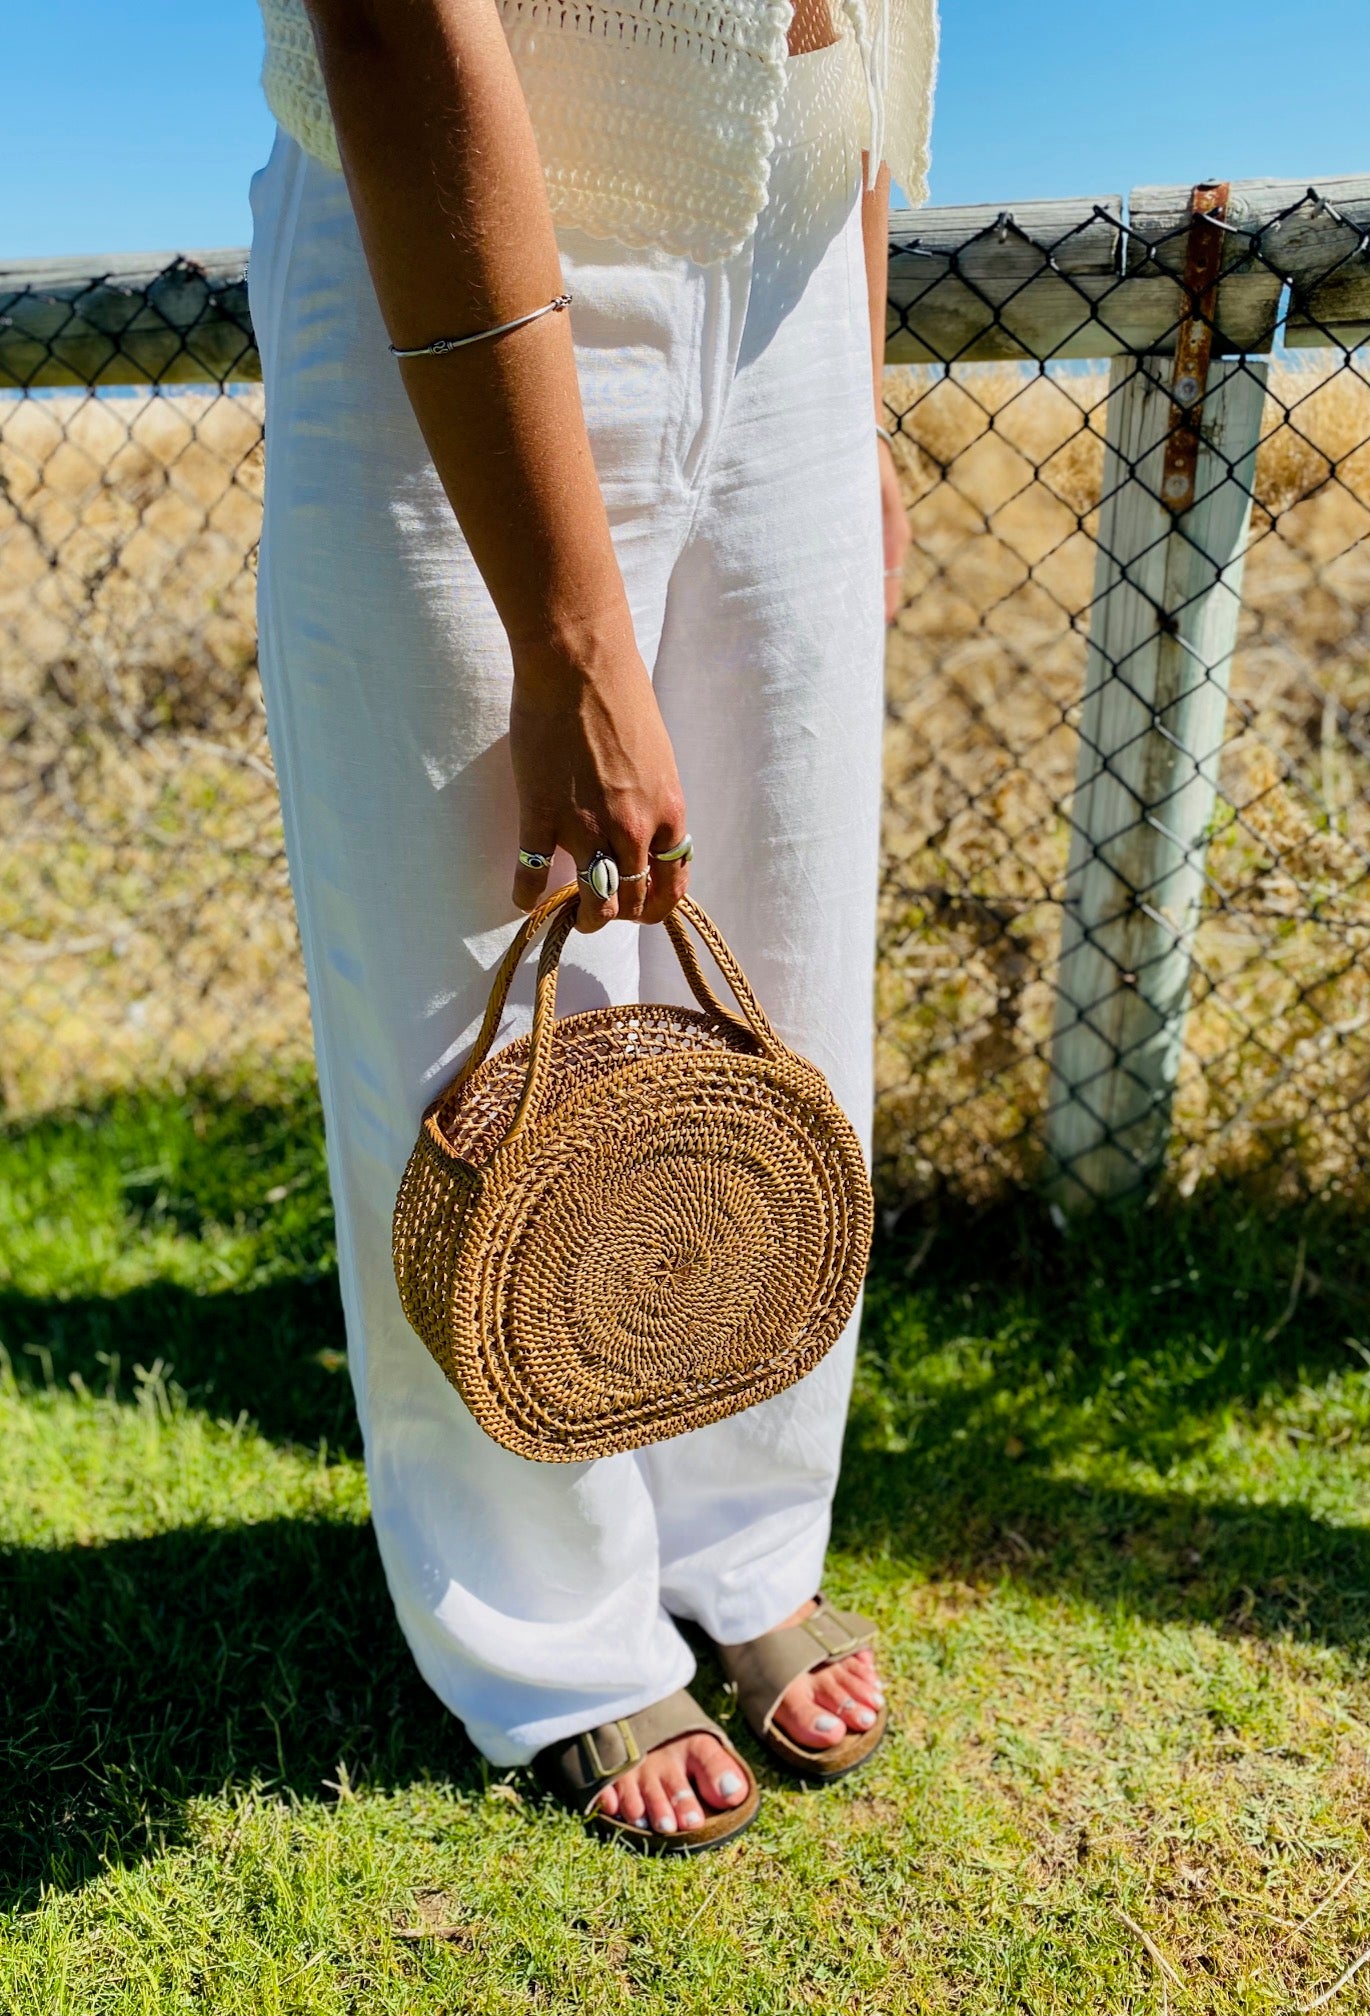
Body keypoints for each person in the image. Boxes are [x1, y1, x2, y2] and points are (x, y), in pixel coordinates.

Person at [247, 0, 937, 1850]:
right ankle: (552, 1632)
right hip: (477, 212)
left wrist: (850, 373)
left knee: (781, 978)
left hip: (793, 250)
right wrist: (567, 645)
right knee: (472, 1003)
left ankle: (743, 1535)